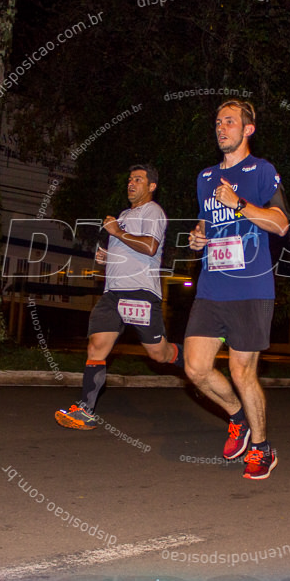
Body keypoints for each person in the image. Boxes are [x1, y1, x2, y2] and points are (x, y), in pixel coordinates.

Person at [185, 100, 290, 480]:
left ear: (248, 129)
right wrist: (199, 236)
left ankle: (262, 448)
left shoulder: (262, 171)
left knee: (241, 371)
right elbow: (206, 221)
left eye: (230, 121)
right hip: (212, 286)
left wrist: (240, 204)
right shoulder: (206, 177)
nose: (221, 127)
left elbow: (280, 224)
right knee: (195, 368)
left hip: (251, 288)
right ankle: (237, 418)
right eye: (218, 122)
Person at [54, 165, 183, 430]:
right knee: (97, 346)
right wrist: (107, 256)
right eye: (129, 179)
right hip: (112, 293)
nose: (131, 183)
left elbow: (150, 247)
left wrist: (116, 232)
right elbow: (125, 250)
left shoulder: (153, 212)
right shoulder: (124, 215)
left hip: (140, 292)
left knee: (159, 354)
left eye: (138, 179)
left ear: (151, 186)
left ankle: (191, 361)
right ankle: (85, 411)